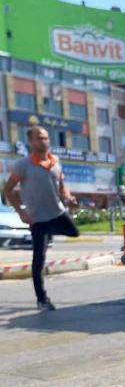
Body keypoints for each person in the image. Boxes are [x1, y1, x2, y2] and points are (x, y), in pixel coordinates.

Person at [3, 125, 79, 311]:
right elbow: (8, 189)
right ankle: (42, 299)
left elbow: (62, 186)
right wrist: (21, 213)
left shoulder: (55, 162)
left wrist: (69, 197)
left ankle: (49, 233)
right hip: (37, 219)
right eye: (38, 138)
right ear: (30, 141)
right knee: (38, 261)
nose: (43, 141)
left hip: (57, 213)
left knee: (74, 232)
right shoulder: (23, 165)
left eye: (45, 138)